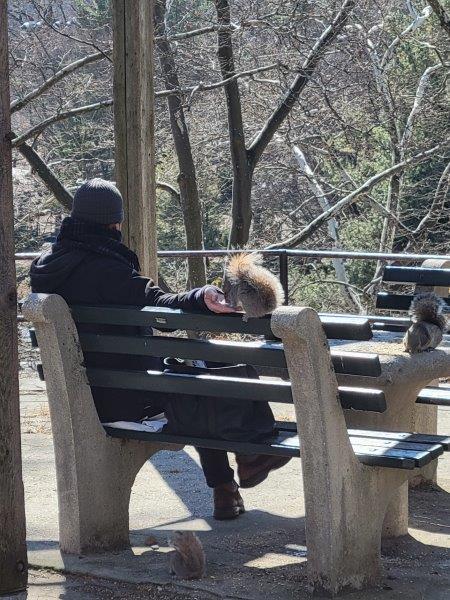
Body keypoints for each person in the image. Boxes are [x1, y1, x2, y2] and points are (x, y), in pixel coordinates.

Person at [30, 178, 290, 520]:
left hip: (87, 396)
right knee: (210, 378)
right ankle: (247, 463)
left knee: (195, 373)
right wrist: (202, 296)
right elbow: (157, 302)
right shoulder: (105, 267)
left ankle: (231, 484)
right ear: (115, 222)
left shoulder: (46, 266)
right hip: (132, 402)